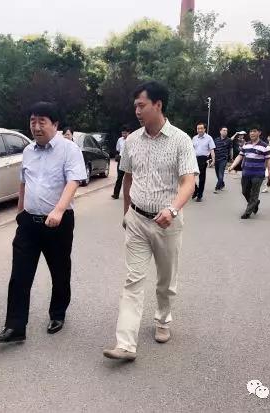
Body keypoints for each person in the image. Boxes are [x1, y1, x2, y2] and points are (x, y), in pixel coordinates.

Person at [102, 81, 198, 362]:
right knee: (133, 280)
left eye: (141, 105)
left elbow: (188, 182)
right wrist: (126, 213)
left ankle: (163, 319)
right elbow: (127, 178)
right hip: (137, 219)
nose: (137, 111)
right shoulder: (132, 141)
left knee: (165, 281)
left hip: (168, 223)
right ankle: (125, 344)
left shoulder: (181, 140)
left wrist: (173, 209)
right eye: (135, 106)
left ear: (158, 105)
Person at [0, 102, 87, 343]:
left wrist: (59, 211)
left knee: (59, 271)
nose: (36, 127)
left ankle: (58, 314)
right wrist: (20, 211)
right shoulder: (28, 151)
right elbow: (24, 182)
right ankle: (15, 327)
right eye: (33, 121)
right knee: (19, 275)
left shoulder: (69, 149)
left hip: (58, 223)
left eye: (42, 121)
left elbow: (73, 181)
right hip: (28, 223)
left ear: (55, 124)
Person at [228, 126, 270, 219]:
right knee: (244, 191)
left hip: (258, 174)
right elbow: (240, 156)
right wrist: (232, 166)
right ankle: (255, 203)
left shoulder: (265, 146)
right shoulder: (246, 145)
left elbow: (269, 162)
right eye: (251, 131)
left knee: (254, 193)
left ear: (259, 133)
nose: (252, 133)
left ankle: (247, 212)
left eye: (254, 131)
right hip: (246, 173)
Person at [191, 122, 215, 202]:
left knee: (201, 177)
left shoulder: (209, 138)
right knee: (190, 176)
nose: (199, 130)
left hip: (203, 158)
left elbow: (212, 149)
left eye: (201, 128)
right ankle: (196, 189)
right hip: (194, 158)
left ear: (204, 129)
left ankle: (200, 195)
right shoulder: (194, 138)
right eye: (198, 128)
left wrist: (213, 160)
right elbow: (191, 149)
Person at [112, 125, 132, 200]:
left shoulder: (132, 139)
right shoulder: (120, 140)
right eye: (122, 133)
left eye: (125, 133)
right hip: (121, 159)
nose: (123, 135)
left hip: (129, 160)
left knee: (130, 178)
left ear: (129, 132)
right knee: (119, 177)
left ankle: (131, 194)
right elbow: (117, 149)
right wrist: (117, 156)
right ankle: (116, 194)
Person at [213, 126, 233, 193]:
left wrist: (231, 158)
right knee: (217, 174)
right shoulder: (216, 140)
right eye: (224, 130)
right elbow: (213, 149)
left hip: (223, 159)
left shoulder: (229, 140)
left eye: (226, 130)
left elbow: (231, 149)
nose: (225, 132)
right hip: (216, 159)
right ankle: (222, 183)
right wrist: (211, 159)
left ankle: (217, 187)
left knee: (221, 173)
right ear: (220, 131)